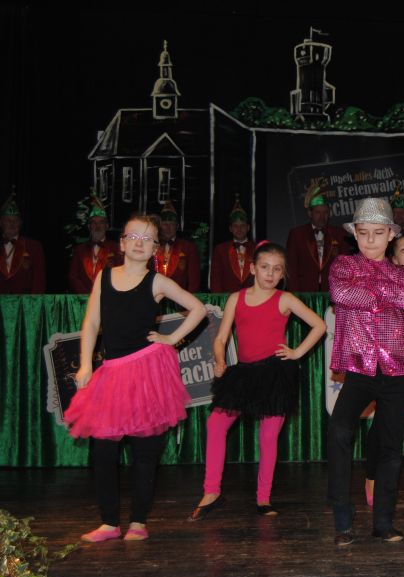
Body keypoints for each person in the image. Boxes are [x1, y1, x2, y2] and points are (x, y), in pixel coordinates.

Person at [64, 214, 206, 542]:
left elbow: (198, 308)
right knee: (104, 451)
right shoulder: (104, 277)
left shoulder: (157, 282)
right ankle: (109, 523)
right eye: (134, 237)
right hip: (112, 372)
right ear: (122, 243)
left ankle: (138, 521)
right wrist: (85, 365)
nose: (139, 243)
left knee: (145, 453)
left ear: (155, 248)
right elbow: (91, 323)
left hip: (147, 372)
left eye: (147, 239)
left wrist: (172, 339)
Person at [189, 241, 325, 520]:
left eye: (277, 269)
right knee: (215, 424)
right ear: (252, 269)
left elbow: (320, 325)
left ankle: (263, 498)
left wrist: (297, 352)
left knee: (268, 436)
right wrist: (219, 360)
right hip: (244, 374)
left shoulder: (285, 299)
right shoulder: (236, 299)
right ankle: (211, 491)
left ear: (283, 274)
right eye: (265, 267)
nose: (270, 273)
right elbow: (221, 338)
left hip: (275, 373)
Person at [327, 197, 404, 546]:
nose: (370, 240)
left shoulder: (401, 273)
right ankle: (342, 513)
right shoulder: (343, 265)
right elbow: (341, 293)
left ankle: (383, 521)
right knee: (339, 429)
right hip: (360, 365)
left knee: (390, 445)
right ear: (355, 234)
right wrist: (384, 293)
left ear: (391, 235)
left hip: (396, 365)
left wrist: (368, 288)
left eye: (378, 233)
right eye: (364, 233)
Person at [363, 234, 404, 506]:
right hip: (396, 361)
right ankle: (371, 476)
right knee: (384, 425)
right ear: (393, 259)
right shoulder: (387, 292)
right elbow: (379, 330)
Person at [286, 186, 349, 292]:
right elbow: (291, 267)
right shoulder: (297, 234)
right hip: (305, 292)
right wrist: (295, 294)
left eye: (325, 212)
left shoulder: (339, 234)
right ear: (310, 213)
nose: (322, 216)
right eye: (318, 212)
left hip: (331, 291)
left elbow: (345, 266)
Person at [68, 193, 121, 294]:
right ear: (89, 226)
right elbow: (73, 276)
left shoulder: (115, 248)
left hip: (108, 298)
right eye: (94, 222)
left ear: (106, 226)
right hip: (84, 298)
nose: (97, 226)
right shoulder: (79, 250)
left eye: (101, 222)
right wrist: (86, 295)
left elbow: (121, 274)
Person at [1, 188, 46, 294]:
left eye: (15, 220)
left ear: (21, 223)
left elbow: (39, 280)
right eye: (8, 220)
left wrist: (35, 302)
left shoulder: (34, 247)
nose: (12, 224)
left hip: (24, 303)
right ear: (1, 223)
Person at [209, 195, 255, 293]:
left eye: (242, 226)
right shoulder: (220, 250)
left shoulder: (258, 249)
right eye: (235, 226)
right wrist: (219, 299)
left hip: (253, 298)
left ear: (248, 227)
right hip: (227, 298)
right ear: (230, 228)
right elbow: (215, 278)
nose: (239, 229)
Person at [155, 201, 201, 292]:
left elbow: (194, 281)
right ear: (160, 226)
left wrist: (188, 299)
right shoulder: (152, 245)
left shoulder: (188, 247)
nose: (168, 228)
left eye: (172, 224)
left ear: (177, 226)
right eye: (165, 224)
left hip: (179, 298)